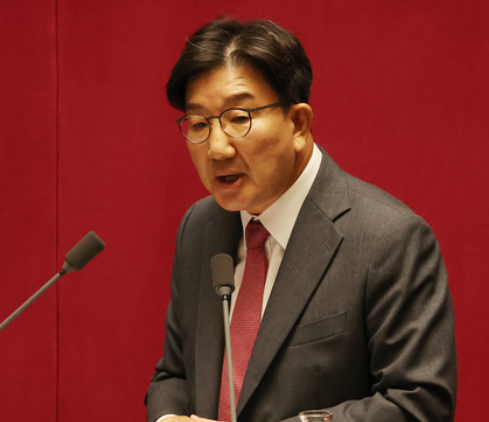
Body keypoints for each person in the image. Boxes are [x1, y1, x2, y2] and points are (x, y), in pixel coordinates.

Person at [146, 17, 457, 422]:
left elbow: (417, 404)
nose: (217, 149)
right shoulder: (199, 227)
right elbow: (175, 375)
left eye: (238, 118)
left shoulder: (388, 238)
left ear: (298, 124)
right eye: (200, 124)